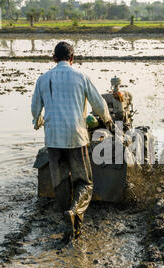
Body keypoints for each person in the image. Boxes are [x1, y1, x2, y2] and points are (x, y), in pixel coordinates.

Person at [31, 41, 113, 244]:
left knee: (60, 183)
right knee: (84, 182)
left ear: (54, 58)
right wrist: (108, 119)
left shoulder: (43, 79)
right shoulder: (81, 77)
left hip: (53, 139)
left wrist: (37, 120)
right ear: (72, 58)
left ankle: (70, 226)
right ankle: (74, 211)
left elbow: (35, 108)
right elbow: (98, 103)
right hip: (76, 138)